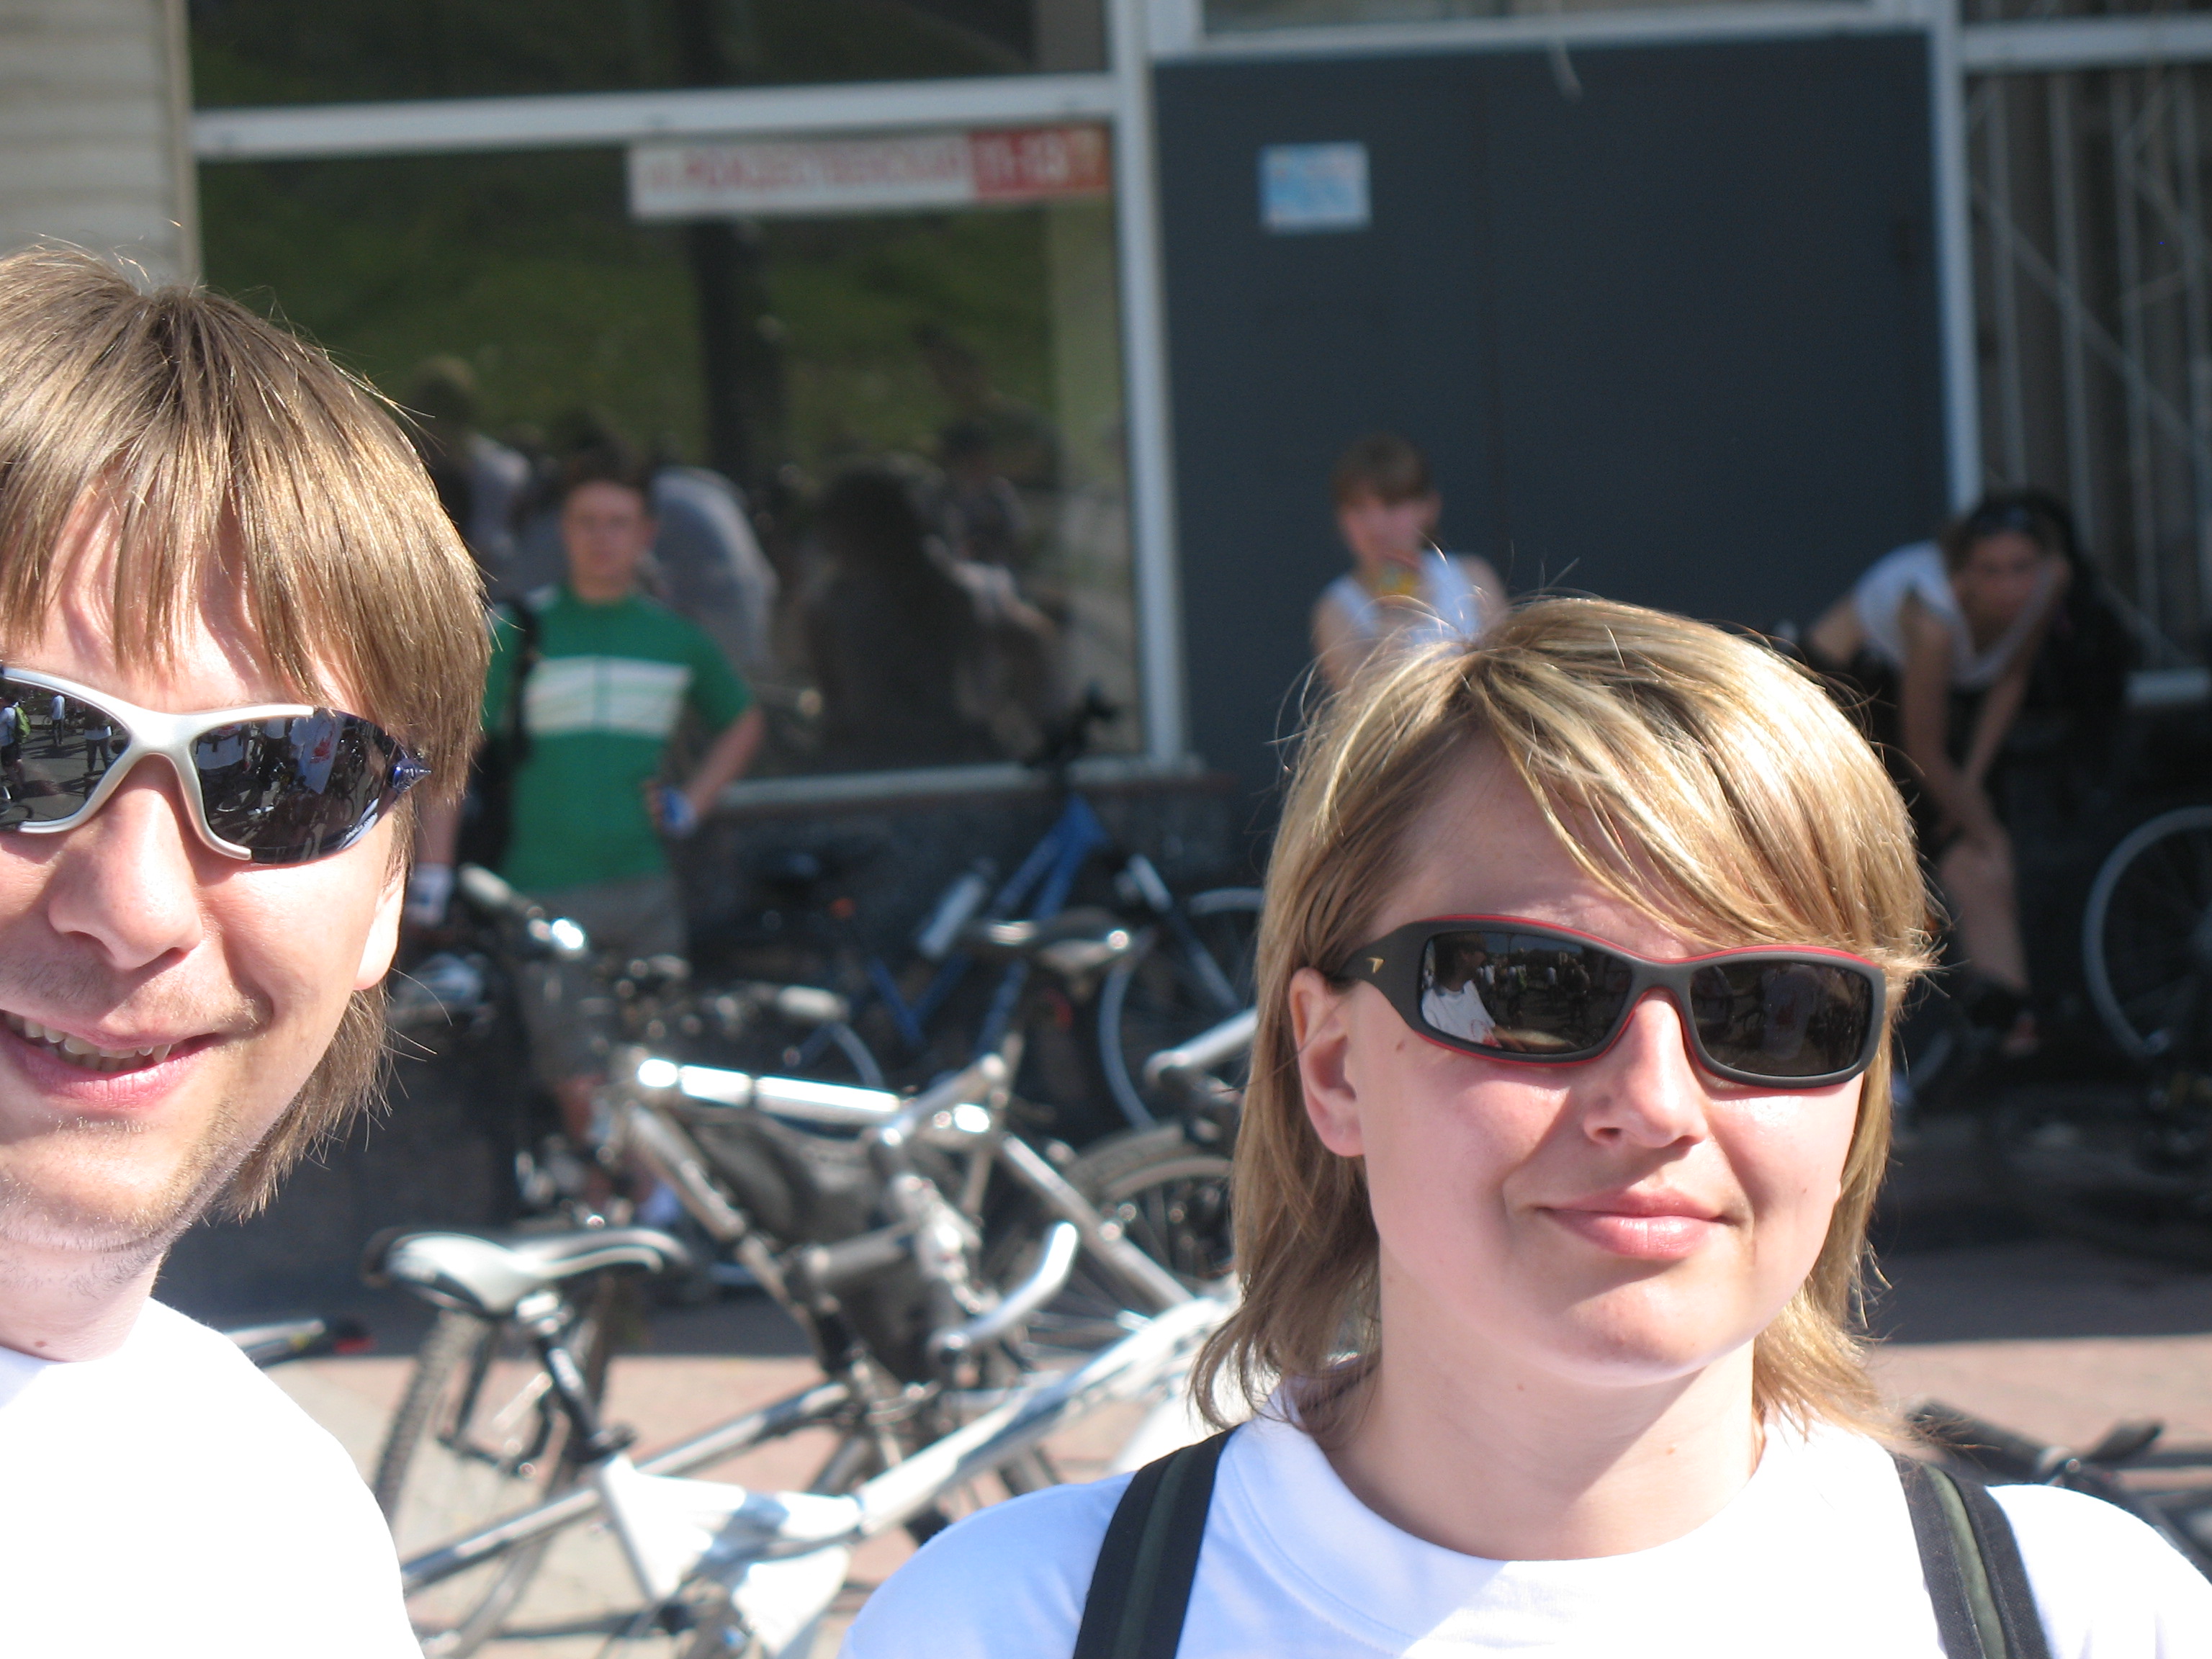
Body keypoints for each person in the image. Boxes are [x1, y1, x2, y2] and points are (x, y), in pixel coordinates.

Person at [843, 599, 2212, 1656]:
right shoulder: (1013, 1624)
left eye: (1776, 1008)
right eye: (1525, 988)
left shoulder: (2088, 1618)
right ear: (1331, 1062)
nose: (1655, 1102)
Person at [0, 250, 485, 1653]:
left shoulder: (286, 1520)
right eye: (25, 745)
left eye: (285, 777)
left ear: (387, 891)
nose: (136, 902)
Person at [413, 444, 765, 1130]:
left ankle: (645, 1190)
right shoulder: (520, 630)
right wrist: (433, 872)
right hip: (543, 889)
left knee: (658, 1069)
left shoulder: (674, 639)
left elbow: (743, 721)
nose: (602, 539)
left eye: (618, 523)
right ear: (564, 531)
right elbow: (454, 755)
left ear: (646, 534)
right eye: (586, 522)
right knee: (574, 1073)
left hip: (645, 885)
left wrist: (690, 804)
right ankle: (601, 1185)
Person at [1807, 495, 2071, 1040]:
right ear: (1961, 574)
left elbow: (2011, 677)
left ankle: (2010, 1025)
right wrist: (1982, 823)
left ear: (2045, 564)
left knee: (1973, 851)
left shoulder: (2052, 583)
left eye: (2022, 568)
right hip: (1844, 683)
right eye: (1990, 571)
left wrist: (1971, 783)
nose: (2009, 588)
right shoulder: (1933, 619)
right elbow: (1924, 751)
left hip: (1935, 694)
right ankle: (1855, 1034)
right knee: (1914, 845)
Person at [1311, 433, 1505, 693]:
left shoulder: (1473, 576)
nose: (1376, 526)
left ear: (1428, 508)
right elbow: (1363, 706)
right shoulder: (1334, 609)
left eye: (1392, 505)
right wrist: (1393, 619)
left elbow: (1506, 678)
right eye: (1359, 508)